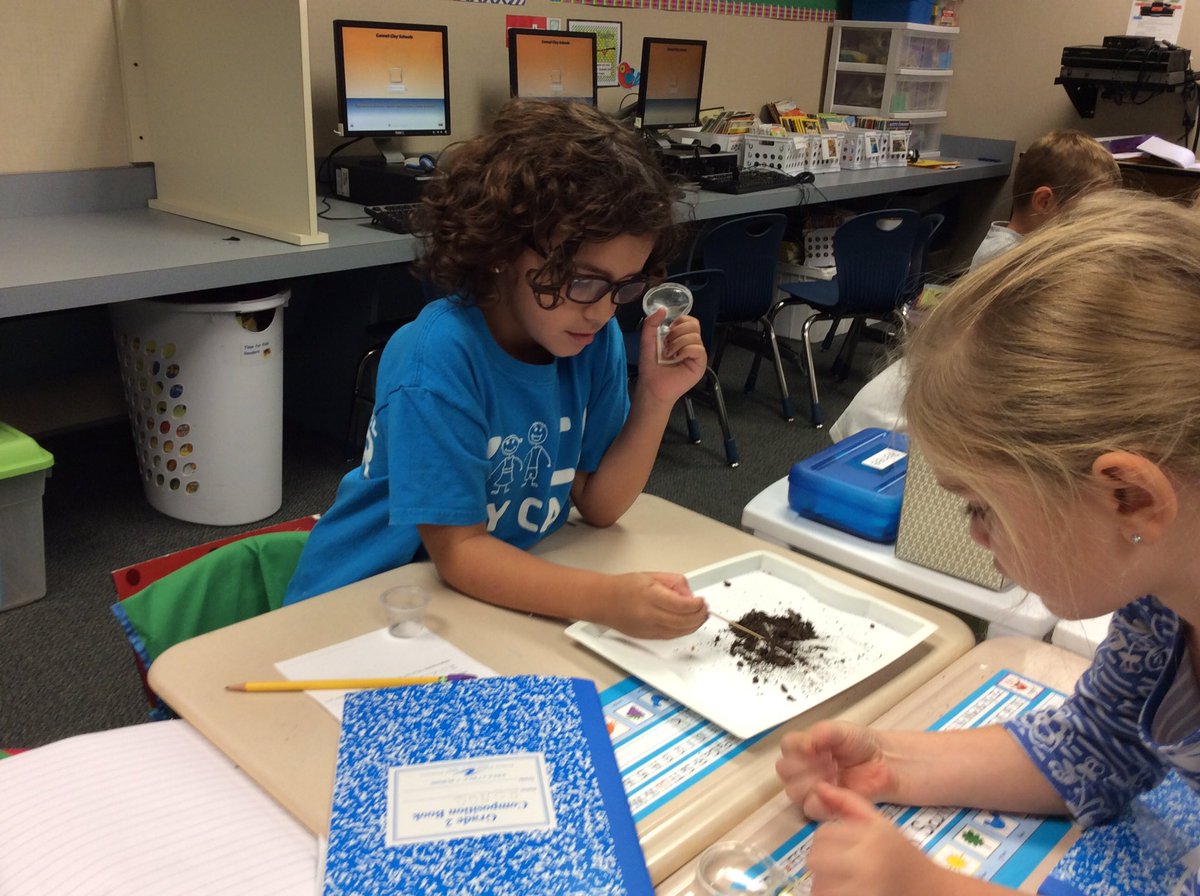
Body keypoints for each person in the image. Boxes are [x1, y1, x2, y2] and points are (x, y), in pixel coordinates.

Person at [776, 189, 1200, 896]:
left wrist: (928, 889)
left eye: (981, 506)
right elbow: (1101, 745)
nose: (974, 535)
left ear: (1129, 496)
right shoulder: (1161, 598)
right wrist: (889, 762)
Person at [284, 99, 710, 640]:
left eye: (625, 285)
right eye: (581, 280)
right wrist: (604, 599)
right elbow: (460, 553)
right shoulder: (438, 359)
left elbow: (600, 505)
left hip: (472, 599)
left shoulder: (588, 340)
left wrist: (655, 398)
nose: (604, 310)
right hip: (364, 606)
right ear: (501, 249)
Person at [827, 129, 1122, 442]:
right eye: (1090, 217)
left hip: (922, 406)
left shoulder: (1018, 250)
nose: (1096, 231)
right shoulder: (1013, 261)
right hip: (893, 424)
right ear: (1044, 201)